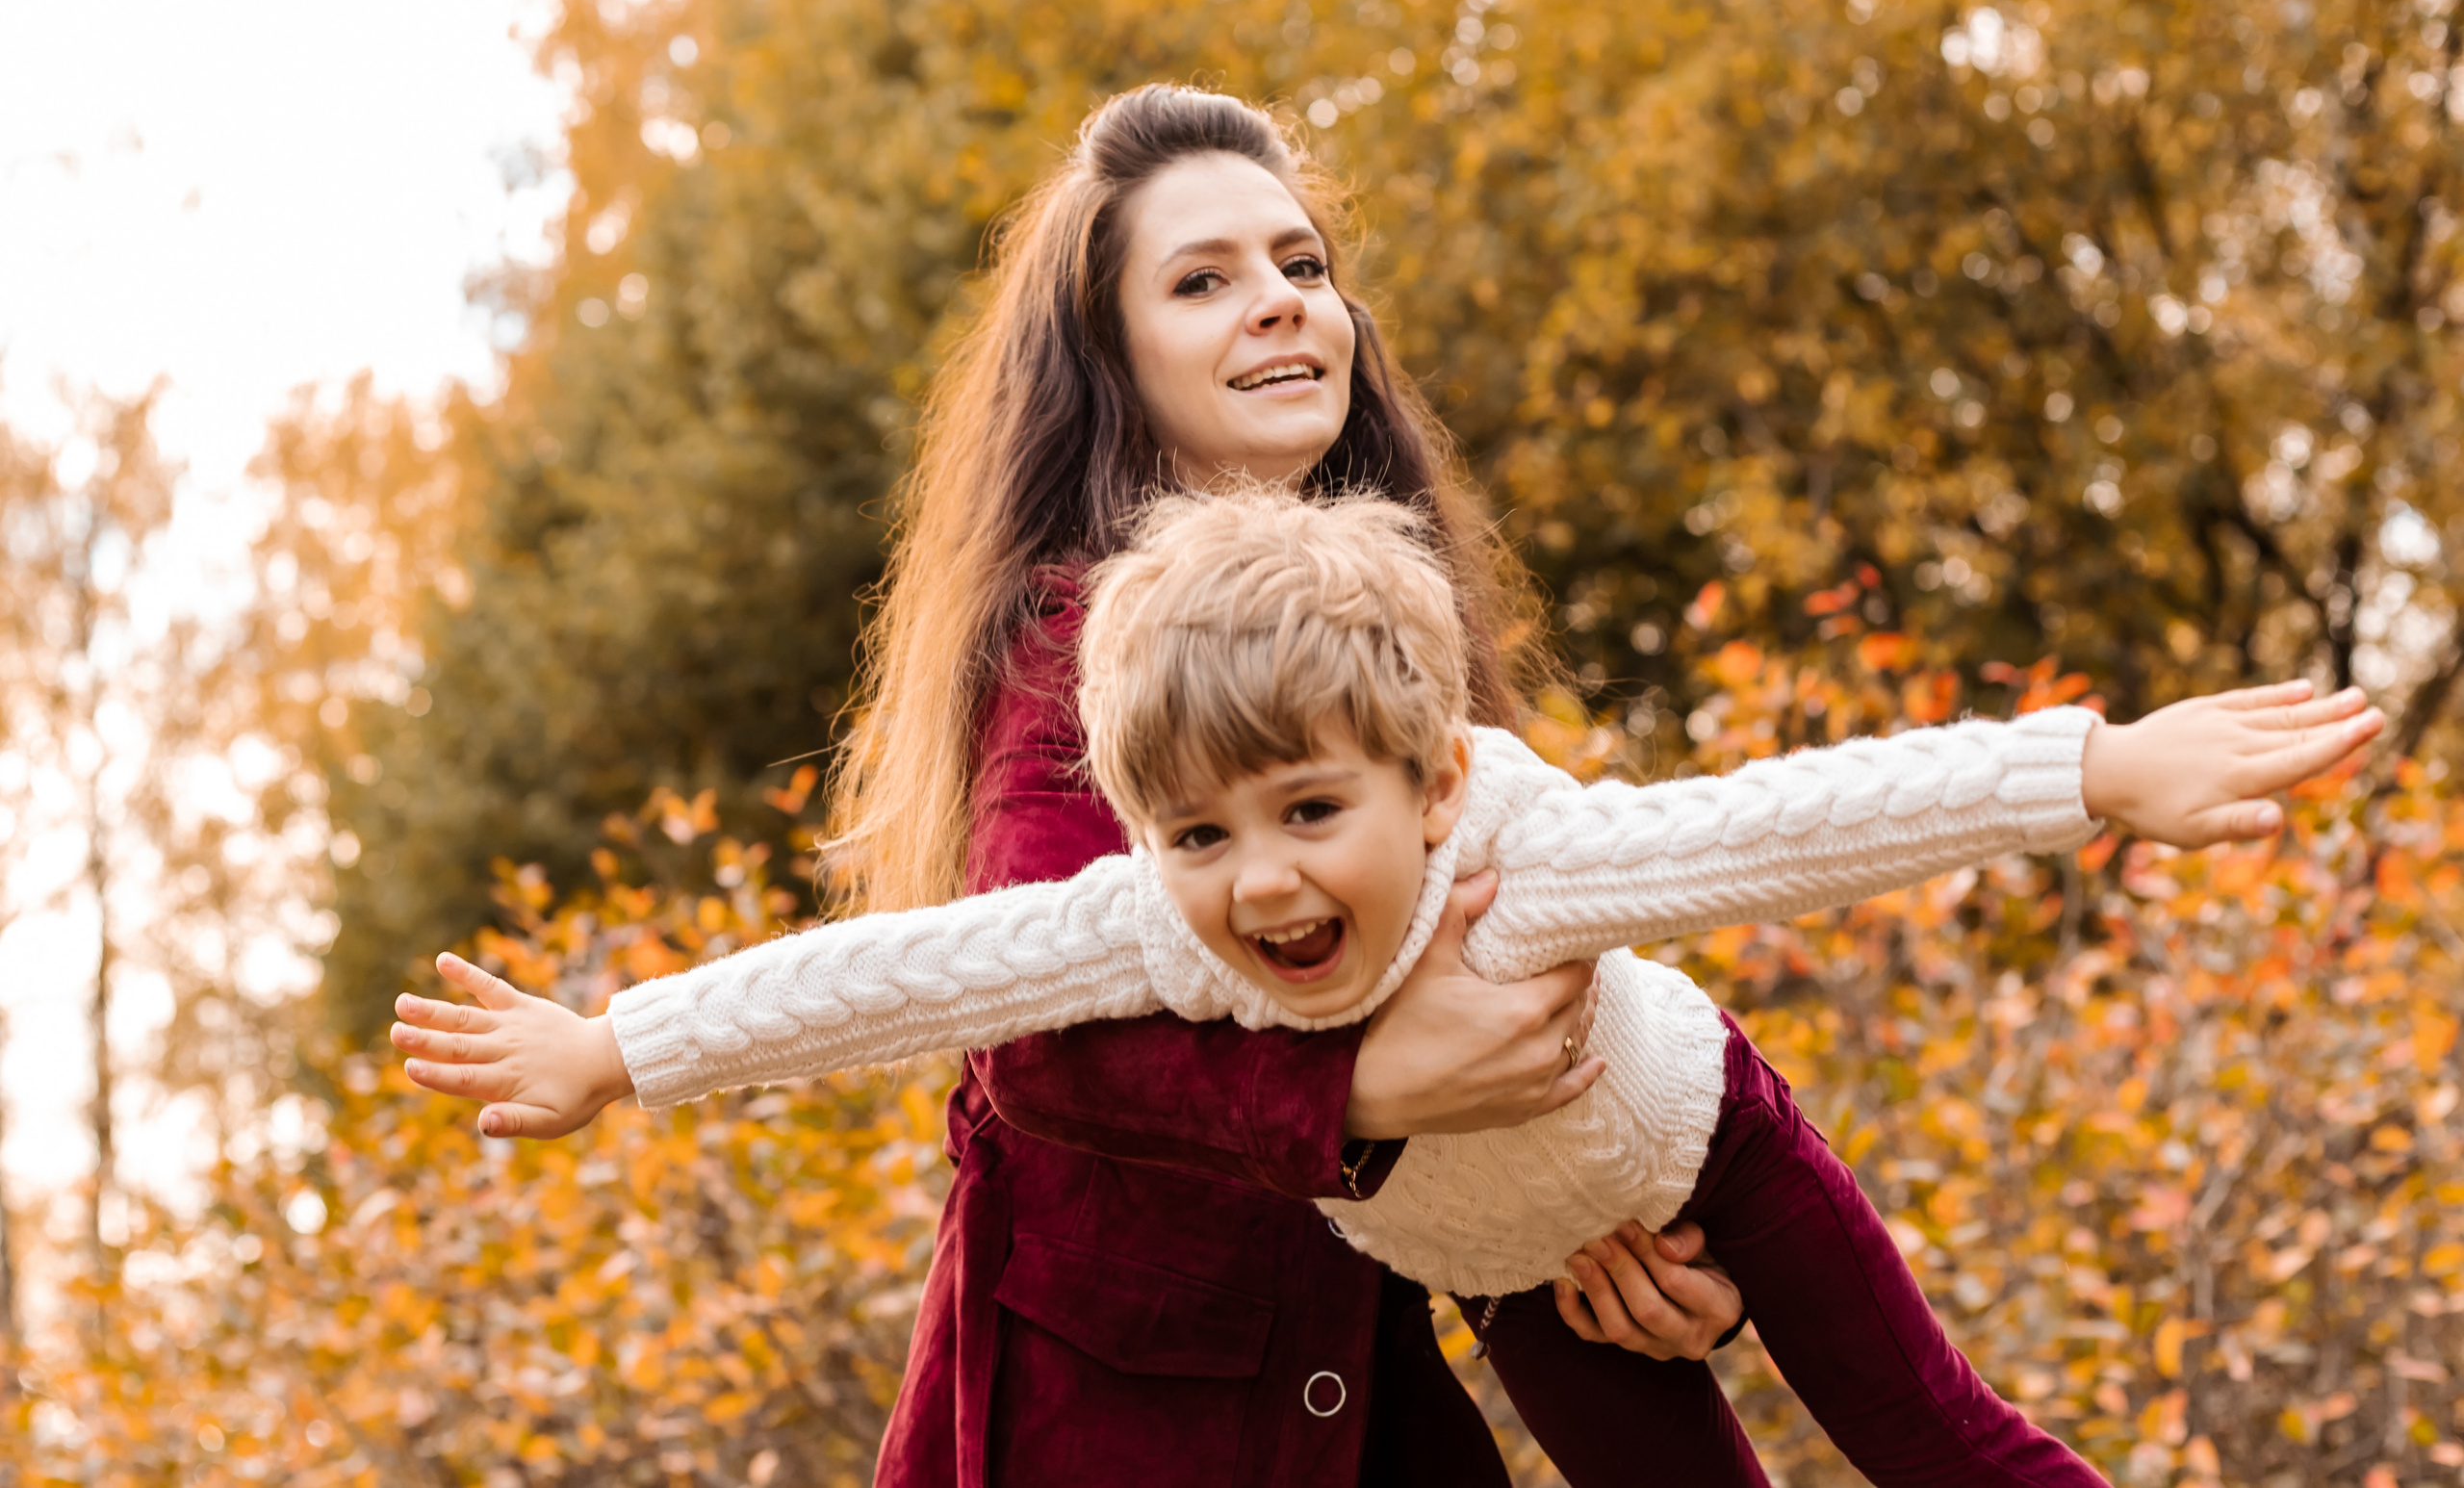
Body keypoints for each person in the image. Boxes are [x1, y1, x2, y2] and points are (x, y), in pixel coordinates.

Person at [398, 487, 2379, 1487]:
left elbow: (1798, 819)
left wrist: (2098, 768)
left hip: (1707, 1157)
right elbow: (896, 978)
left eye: (1309, 810)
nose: (1259, 877)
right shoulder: (1148, 922)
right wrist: (616, 1046)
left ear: (1428, 782)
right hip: (1516, 1277)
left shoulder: (1524, 858)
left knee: (1931, 1436)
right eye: (1197, 831)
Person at [398, 85, 1747, 1488]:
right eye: (1203, 281)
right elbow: (1023, 1029)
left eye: (1302, 264)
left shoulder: (1391, 643)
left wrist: (1631, 1254)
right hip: (1109, 1422)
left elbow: (1503, 1023)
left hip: (1356, 1392)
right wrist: (1346, 1092)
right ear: (1115, 361)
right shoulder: (1074, 649)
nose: (1280, 301)